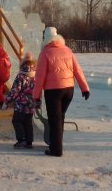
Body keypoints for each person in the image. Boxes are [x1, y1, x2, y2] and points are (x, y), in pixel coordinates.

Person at [33, 27, 90, 157]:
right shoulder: (68, 51)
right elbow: (77, 70)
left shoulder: (45, 53)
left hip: (53, 91)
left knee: (55, 119)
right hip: (68, 90)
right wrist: (84, 88)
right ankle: (57, 144)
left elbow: (39, 77)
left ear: (45, 38)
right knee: (60, 118)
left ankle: (56, 149)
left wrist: (36, 96)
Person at [4, 52, 37, 148]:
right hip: (31, 103)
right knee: (28, 122)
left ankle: (21, 139)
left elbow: (15, 90)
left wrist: (7, 102)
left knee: (17, 121)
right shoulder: (36, 75)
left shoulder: (21, 76)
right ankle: (29, 142)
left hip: (21, 104)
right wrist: (37, 103)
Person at [0, 44, 12, 109]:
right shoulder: (6, 56)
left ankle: (1, 103)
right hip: (6, 76)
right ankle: (3, 91)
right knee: (1, 83)